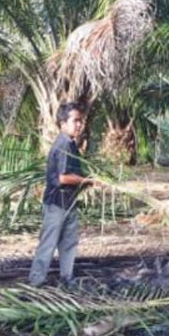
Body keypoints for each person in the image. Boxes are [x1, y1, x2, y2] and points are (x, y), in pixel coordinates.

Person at [29, 102, 98, 288]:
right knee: (49, 243)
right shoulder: (63, 145)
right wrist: (87, 181)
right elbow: (62, 178)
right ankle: (36, 280)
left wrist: (86, 181)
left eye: (80, 121)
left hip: (69, 202)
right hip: (57, 203)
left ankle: (67, 278)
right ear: (63, 123)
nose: (79, 125)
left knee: (69, 242)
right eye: (75, 121)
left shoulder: (71, 144)